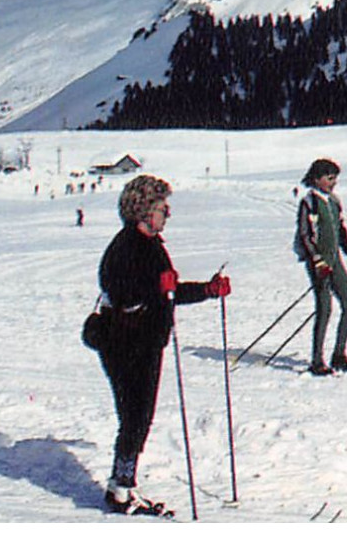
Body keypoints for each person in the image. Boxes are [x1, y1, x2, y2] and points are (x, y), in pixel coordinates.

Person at [94, 175, 229, 514]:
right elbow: (121, 291)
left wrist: (208, 290)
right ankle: (120, 489)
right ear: (142, 210)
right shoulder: (125, 246)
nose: (167, 213)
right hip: (123, 342)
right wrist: (156, 288)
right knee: (135, 415)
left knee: (139, 415)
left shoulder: (151, 245)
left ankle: (122, 485)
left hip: (145, 341)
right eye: (161, 207)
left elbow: (169, 290)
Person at [294, 159, 347, 375]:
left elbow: (340, 231)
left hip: (335, 260)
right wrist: (317, 259)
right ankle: (317, 360)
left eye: (335, 178)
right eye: (329, 178)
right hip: (319, 262)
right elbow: (305, 234)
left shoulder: (333, 201)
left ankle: (339, 354)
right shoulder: (310, 202)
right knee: (324, 308)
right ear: (316, 179)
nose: (333, 182)